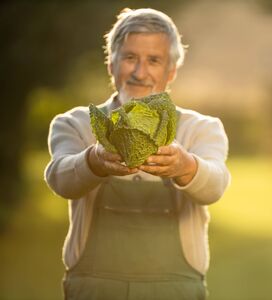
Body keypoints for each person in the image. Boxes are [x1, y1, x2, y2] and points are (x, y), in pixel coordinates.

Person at [44, 7, 230, 300]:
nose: (140, 72)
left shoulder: (201, 129)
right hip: (94, 290)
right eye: (130, 58)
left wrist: (185, 166)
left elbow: (216, 185)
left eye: (153, 61)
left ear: (171, 71)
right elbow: (60, 179)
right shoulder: (76, 123)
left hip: (176, 290)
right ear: (111, 63)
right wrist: (94, 160)